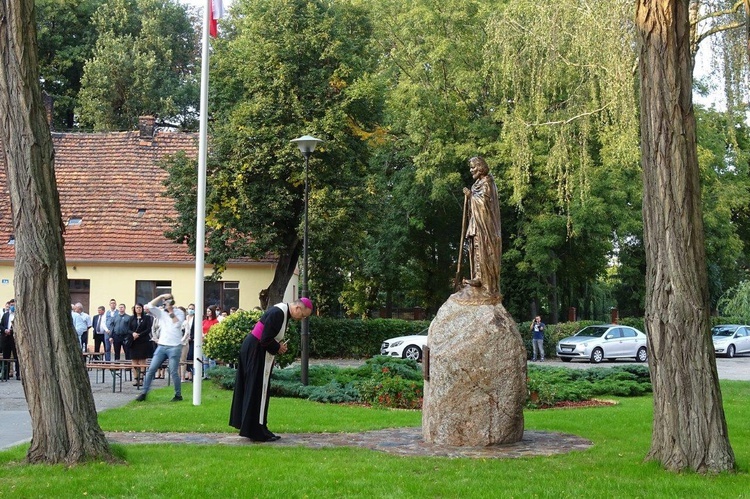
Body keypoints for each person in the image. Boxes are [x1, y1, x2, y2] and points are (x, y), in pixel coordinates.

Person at [229, 298, 313, 441]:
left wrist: (278, 345)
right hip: (256, 351)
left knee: (259, 390)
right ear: (298, 308)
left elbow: (269, 336)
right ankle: (256, 431)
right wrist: (278, 347)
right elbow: (265, 339)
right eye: (304, 315)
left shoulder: (282, 312)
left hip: (255, 349)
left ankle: (260, 427)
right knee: (257, 391)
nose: (302, 318)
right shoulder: (278, 313)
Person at [462, 156, 502, 298]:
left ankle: (485, 281)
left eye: (473, 167)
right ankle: (478, 276)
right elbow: (474, 206)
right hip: (476, 223)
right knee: (476, 249)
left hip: (485, 226)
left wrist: (471, 196)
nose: (471, 170)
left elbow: (485, 204)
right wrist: (471, 196)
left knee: (484, 250)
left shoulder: (487, 183)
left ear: (480, 167)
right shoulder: (476, 184)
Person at [136, 293, 186, 402]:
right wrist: (161, 296)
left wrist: (171, 310)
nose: (166, 303)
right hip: (162, 346)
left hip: (175, 346)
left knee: (173, 371)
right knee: (151, 369)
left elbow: (177, 324)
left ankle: (178, 395)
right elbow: (148, 306)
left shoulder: (179, 312)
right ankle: (144, 393)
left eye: (169, 300)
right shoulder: (161, 313)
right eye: (165, 301)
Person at [128, 303, 153, 387]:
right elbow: (128, 329)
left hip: (143, 341)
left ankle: (141, 378)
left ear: (142, 309)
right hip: (133, 341)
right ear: (134, 309)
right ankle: (135, 378)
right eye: (136, 308)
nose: (138, 309)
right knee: (134, 360)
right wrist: (133, 333)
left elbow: (148, 329)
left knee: (142, 360)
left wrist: (139, 335)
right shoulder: (131, 318)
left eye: (140, 308)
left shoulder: (147, 318)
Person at [1, 298, 18, 380]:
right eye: (11, 305)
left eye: (13, 305)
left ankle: (18, 374)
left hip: (14, 338)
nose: (12, 307)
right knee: (6, 356)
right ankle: (6, 374)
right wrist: (5, 330)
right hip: (6, 338)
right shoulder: (5, 315)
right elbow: (1, 325)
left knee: (16, 356)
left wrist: (11, 330)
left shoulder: (18, 315)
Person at [180, 304, 196, 381]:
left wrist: (191, 337)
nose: (191, 310)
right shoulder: (185, 318)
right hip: (182, 340)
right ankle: (184, 374)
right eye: (189, 308)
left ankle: (190, 373)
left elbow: (194, 330)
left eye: (192, 309)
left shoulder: (195, 319)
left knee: (189, 356)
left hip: (191, 340)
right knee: (181, 359)